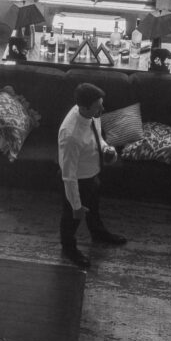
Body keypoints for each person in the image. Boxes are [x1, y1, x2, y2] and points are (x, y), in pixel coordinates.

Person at [58, 81, 127, 269]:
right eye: (99, 106)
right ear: (84, 107)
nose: (102, 109)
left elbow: (97, 136)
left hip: (92, 174)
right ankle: (68, 247)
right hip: (78, 181)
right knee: (71, 219)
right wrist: (76, 205)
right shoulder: (71, 135)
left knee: (94, 209)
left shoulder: (92, 113)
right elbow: (68, 176)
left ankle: (98, 233)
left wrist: (106, 149)